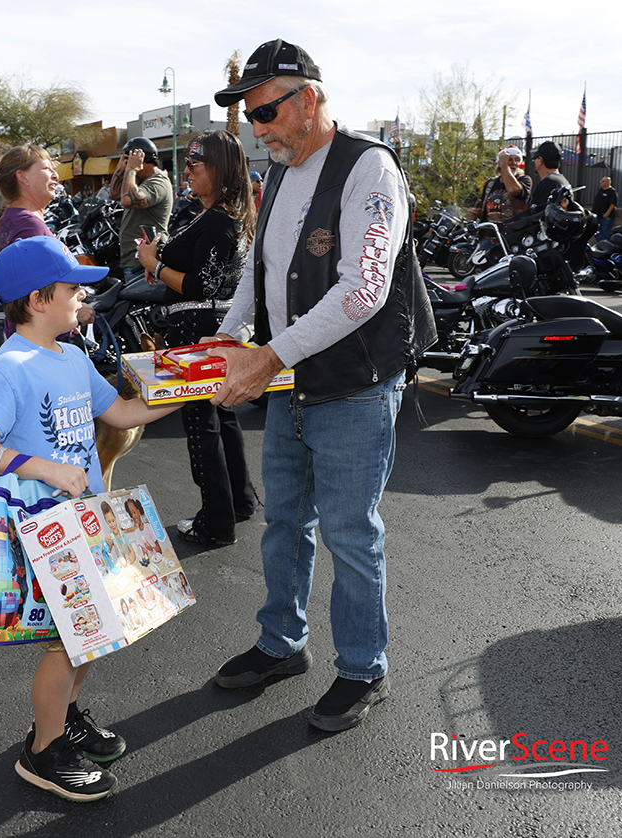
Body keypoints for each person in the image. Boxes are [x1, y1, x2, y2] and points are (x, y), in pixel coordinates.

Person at [205, 39, 435, 732]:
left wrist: (267, 357)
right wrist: (228, 332)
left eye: (266, 111)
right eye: (250, 117)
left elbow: (362, 289)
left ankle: (364, 668)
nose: (257, 128)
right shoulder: (277, 171)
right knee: (284, 524)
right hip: (294, 380)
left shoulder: (369, 168)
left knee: (349, 534)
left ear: (308, 98)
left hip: (355, 383)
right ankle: (282, 644)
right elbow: (260, 268)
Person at [0, 235, 183, 801]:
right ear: (37, 300)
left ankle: (65, 717)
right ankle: (43, 751)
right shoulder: (8, 369)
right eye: (74, 288)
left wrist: (195, 389)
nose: (85, 295)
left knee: (94, 632)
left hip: (85, 524)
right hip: (44, 532)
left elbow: (124, 410)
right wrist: (45, 468)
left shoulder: (73, 357)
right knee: (67, 644)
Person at [135, 129, 258, 547]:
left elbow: (202, 286)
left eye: (194, 164)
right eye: (185, 163)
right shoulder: (221, 216)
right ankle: (237, 504)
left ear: (219, 171)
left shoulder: (220, 219)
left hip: (197, 330)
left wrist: (154, 262)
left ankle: (216, 521)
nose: (185, 171)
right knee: (221, 418)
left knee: (202, 424)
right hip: (210, 331)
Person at [0, 144, 95, 337]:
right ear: (23, 177)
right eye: (47, 168)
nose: (56, 175)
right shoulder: (30, 226)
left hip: (25, 334)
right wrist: (76, 313)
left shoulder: (13, 217)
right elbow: (42, 296)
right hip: (39, 338)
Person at [108, 137, 174, 281]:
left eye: (129, 159)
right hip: (133, 259)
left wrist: (131, 169)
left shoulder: (158, 182)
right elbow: (114, 194)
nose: (127, 163)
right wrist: (121, 167)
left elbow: (126, 200)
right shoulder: (140, 180)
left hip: (144, 262)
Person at [466, 146, 531, 224]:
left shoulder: (524, 180)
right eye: (509, 160)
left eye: (517, 160)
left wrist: (505, 165)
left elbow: (514, 190)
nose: (514, 163)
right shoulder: (490, 183)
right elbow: (485, 209)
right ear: (499, 164)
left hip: (511, 234)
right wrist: (476, 213)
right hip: (489, 232)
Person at [527, 141, 570, 214]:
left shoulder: (548, 183)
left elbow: (535, 217)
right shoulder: (562, 181)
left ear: (540, 160)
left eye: (535, 158)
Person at [593, 176, 619, 242]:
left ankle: (605, 245)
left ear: (608, 182)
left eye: (603, 181)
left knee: (605, 232)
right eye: (601, 181)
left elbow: (612, 204)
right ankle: (603, 243)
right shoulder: (600, 190)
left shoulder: (612, 192)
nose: (601, 183)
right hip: (597, 215)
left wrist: (607, 213)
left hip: (606, 216)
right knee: (595, 230)